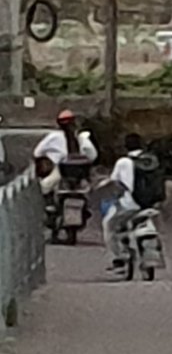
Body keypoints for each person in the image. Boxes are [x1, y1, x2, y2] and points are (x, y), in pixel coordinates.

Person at [102, 133, 164, 271]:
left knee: (109, 224)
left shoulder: (123, 162)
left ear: (125, 146)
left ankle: (118, 257)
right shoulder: (152, 161)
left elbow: (115, 183)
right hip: (151, 205)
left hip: (129, 204)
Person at [33, 109, 98, 196]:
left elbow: (37, 153)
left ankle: (48, 199)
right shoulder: (80, 137)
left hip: (65, 171)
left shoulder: (54, 137)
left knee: (46, 185)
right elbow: (93, 155)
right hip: (79, 172)